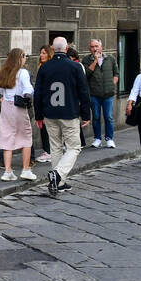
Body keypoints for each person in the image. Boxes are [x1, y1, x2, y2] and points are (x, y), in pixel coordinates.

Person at [34, 37, 91, 197]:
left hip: (49, 114)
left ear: (53, 48)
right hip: (69, 113)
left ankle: (58, 183)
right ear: (66, 49)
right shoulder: (75, 67)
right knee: (74, 147)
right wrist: (86, 114)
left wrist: (38, 115)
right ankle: (58, 175)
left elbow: (37, 93)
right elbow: (83, 92)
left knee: (56, 147)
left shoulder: (44, 68)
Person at [0, 48, 35, 181]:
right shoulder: (23, 72)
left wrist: (3, 92)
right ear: (19, 58)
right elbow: (28, 88)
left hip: (5, 107)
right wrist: (27, 94)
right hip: (18, 105)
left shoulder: (3, 71)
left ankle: (8, 171)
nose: (25, 58)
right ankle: (26, 169)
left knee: (6, 136)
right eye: (24, 56)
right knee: (26, 136)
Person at [82, 39, 118, 149]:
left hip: (108, 94)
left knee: (108, 117)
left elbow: (116, 73)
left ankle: (109, 139)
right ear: (90, 49)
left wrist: (112, 84)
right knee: (96, 117)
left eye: (97, 46)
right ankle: (97, 138)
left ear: (101, 47)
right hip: (94, 94)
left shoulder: (110, 58)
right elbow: (85, 74)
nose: (95, 49)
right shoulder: (86, 60)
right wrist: (95, 61)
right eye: (92, 47)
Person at [32, 46, 52, 163]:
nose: (41, 55)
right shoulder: (42, 66)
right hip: (47, 100)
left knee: (45, 127)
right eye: (41, 53)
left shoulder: (45, 67)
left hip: (46, 100)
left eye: (44, 53)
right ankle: (49, 150)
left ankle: (48, 151)